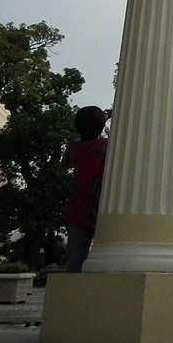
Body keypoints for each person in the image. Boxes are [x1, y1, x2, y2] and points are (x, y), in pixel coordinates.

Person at [63, 106, 109, 273]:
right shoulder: (106, 146)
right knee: (107, 258)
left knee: (75, 261)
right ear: (101, 126)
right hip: (101, 208)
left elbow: (63, 167)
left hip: (77, 209)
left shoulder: (73, 148)